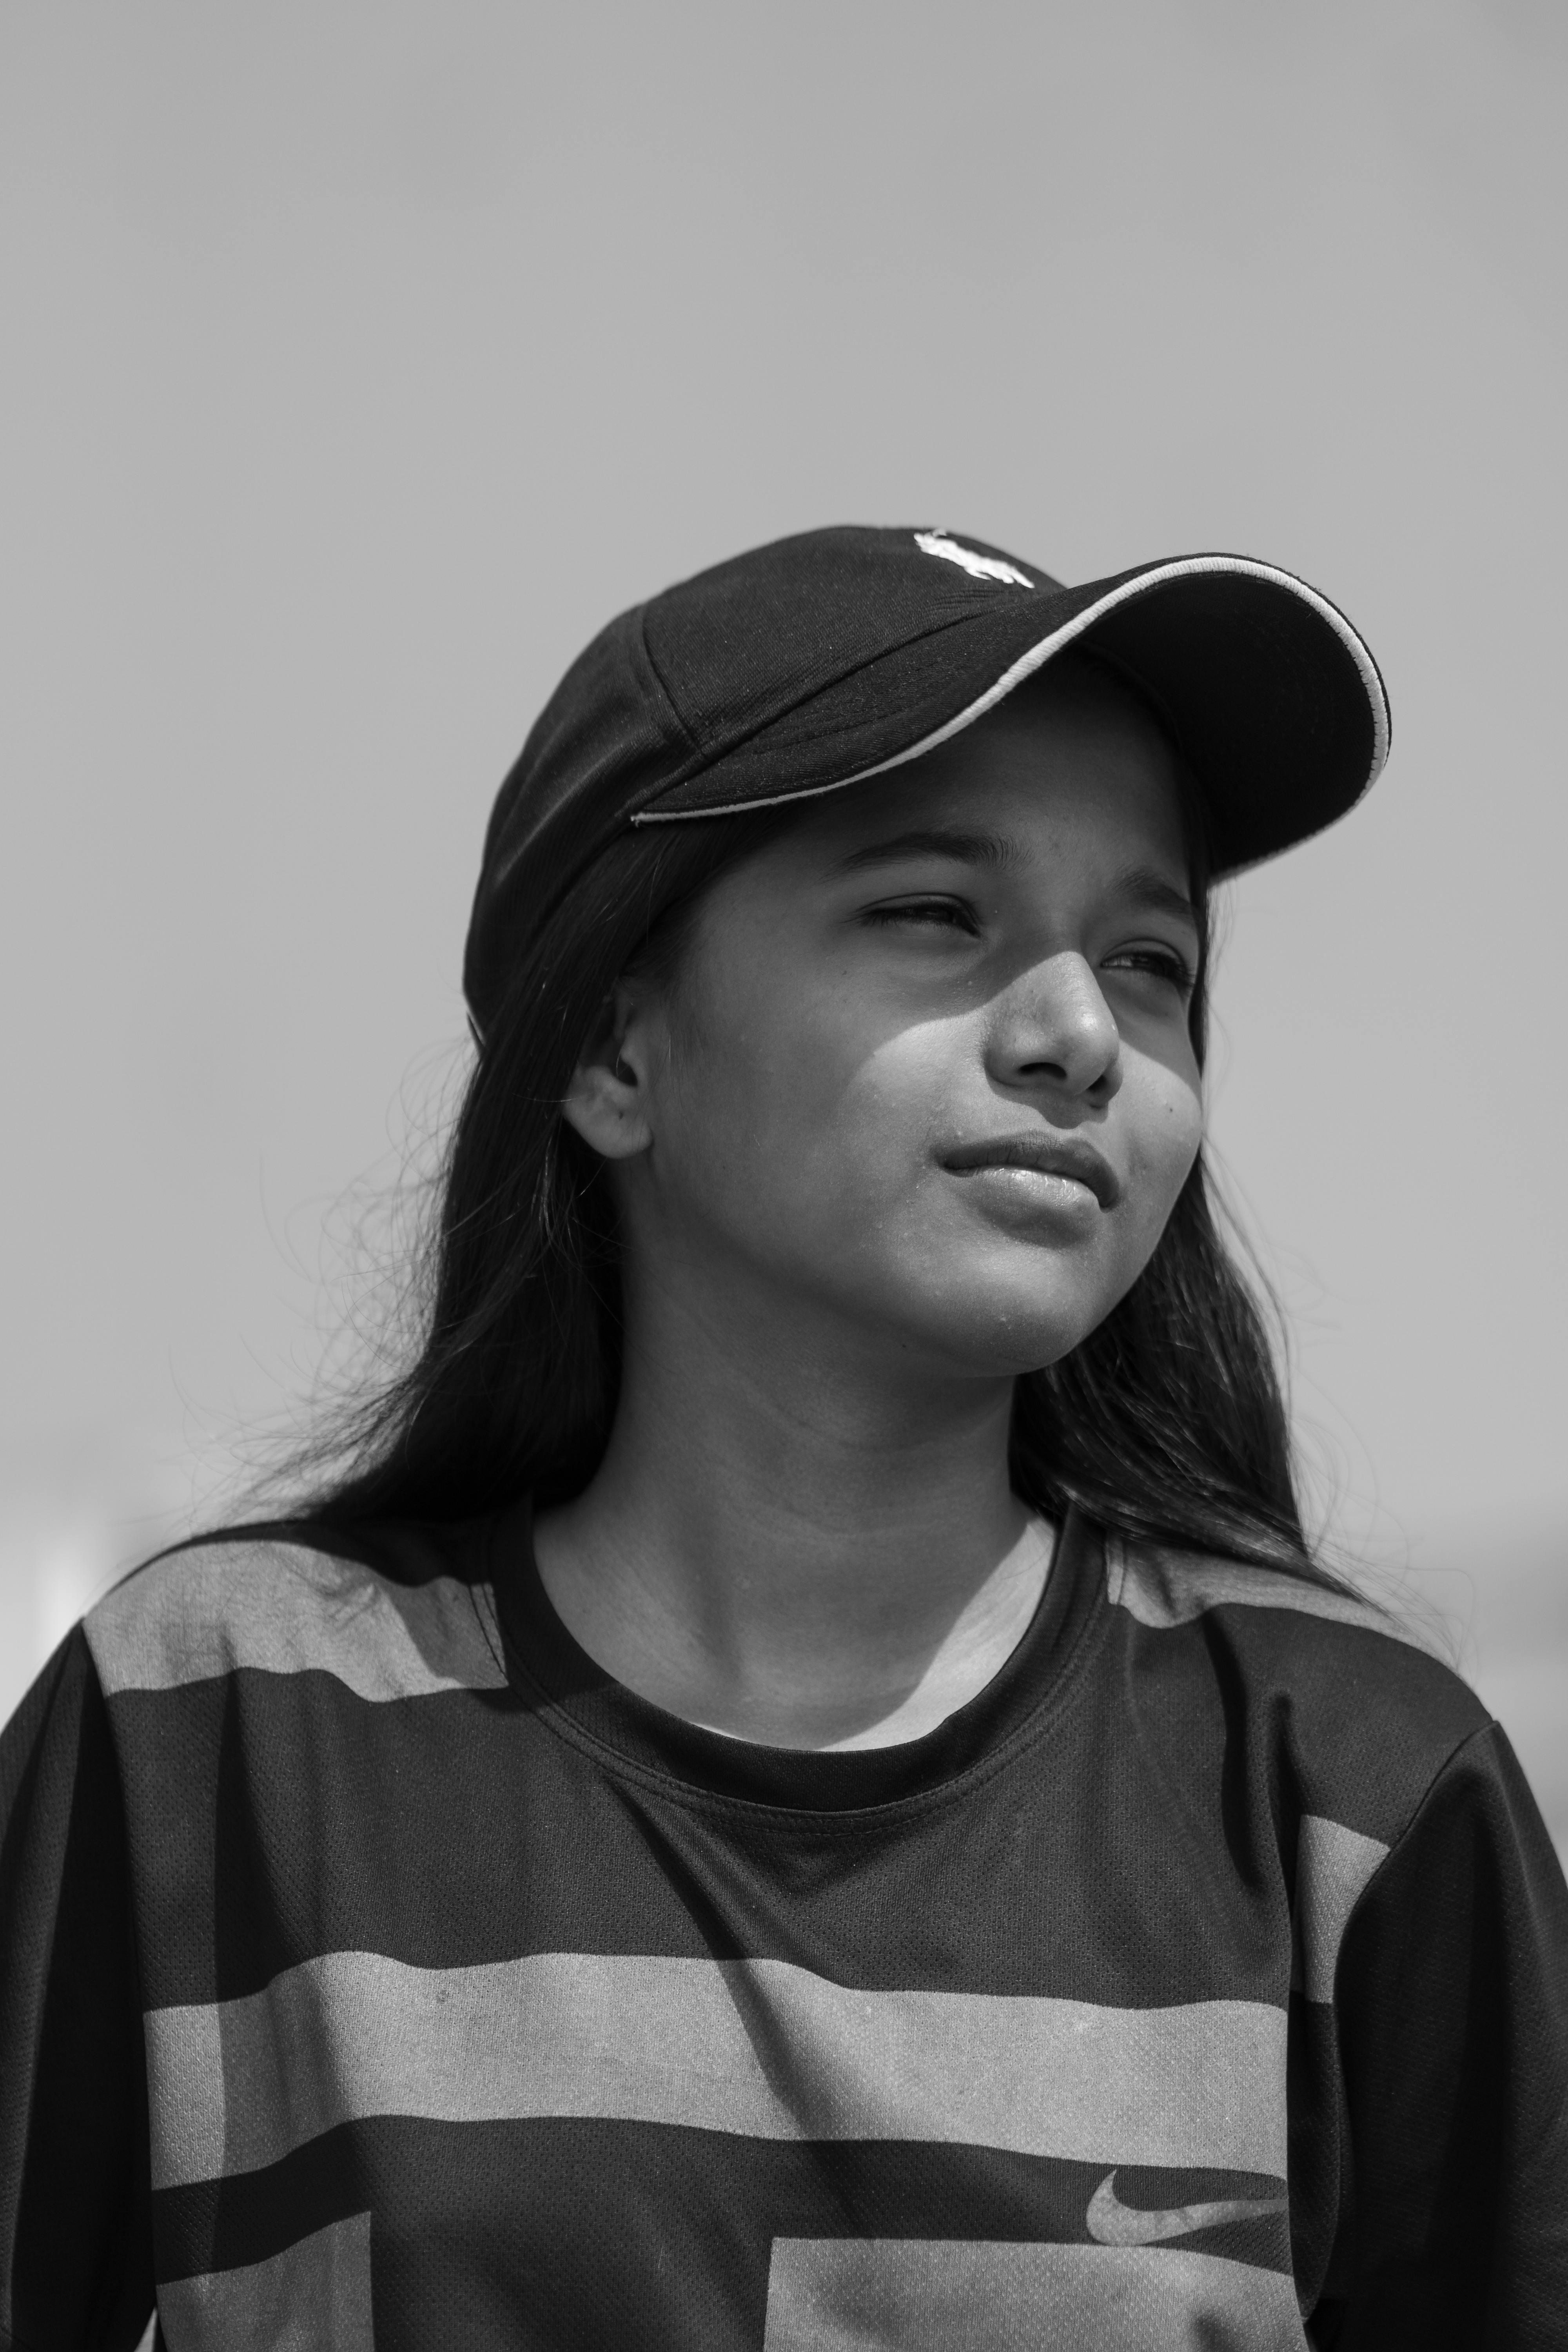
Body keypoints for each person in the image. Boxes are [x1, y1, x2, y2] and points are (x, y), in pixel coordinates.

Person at [1, 526, 1563, 2351]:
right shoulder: (207, 1732)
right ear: (612, 1050)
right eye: (934, 913)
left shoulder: (1358, 1790)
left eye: (1151, 958)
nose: (1079, 1032)